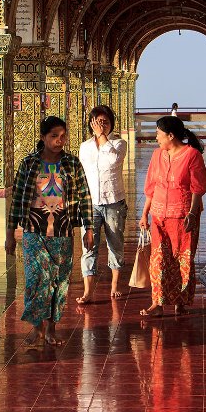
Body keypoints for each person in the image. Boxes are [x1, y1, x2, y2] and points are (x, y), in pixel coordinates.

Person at [5, 116, 93, 346]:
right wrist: (10, 233)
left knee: (59, 280)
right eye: (54, 136)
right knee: (36, 279)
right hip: (33, 230)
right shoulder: (29, 164)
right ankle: (37, 328)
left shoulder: (72, 164)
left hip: (62, 231)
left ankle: (52, 328)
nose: (59, 140)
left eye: (63, 136)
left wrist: (89, 228)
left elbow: (84, 197)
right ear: (43, 137)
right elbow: (17, 200)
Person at [138, 115, 206, 317]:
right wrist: (144, 213)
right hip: (158, 216)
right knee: (158, 259)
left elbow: (198, 188)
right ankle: (157, 302)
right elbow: (151, 188)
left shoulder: (192, 155)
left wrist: (193, 214)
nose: (156, 138)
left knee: (182, 259)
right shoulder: (156, 155)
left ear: (171, 135)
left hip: (183, 216)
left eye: (159, 134)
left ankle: (180, 302)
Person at [77, 105, 128, 303]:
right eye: (97, 122)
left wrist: (102, 137)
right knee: (89, 247)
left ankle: (115, 285)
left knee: (115, 244)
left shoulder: (118, 144)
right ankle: (88, 291)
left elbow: (113, 161)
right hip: (91, 204)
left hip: (114, 201)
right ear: (90, 124)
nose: (101, 125)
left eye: (105, 122)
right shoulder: (85, 147)